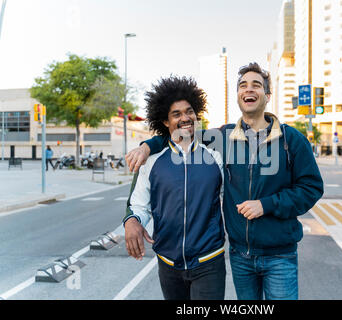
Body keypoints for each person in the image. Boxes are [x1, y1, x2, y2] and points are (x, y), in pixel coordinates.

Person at [126, 63, 324, 300]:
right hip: (240, 256)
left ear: (267, 95)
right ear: (238, 96)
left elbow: (311, 188)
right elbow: (180, 136)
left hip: (278, 255)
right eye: (243, 85)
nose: (248, 89)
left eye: (256, 85)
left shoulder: (291, 139)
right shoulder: (222, 138)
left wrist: (266, 204)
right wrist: (148, 145)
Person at [123, 75, 226, 300]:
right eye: (176, 114)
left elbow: (228, 201)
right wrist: (132, 221)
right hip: (168, 263)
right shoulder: (152, 161)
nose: (185, 118)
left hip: (209, 261)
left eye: (189, 111)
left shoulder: (215, 157)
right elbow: (139, 205)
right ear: (165, 121)